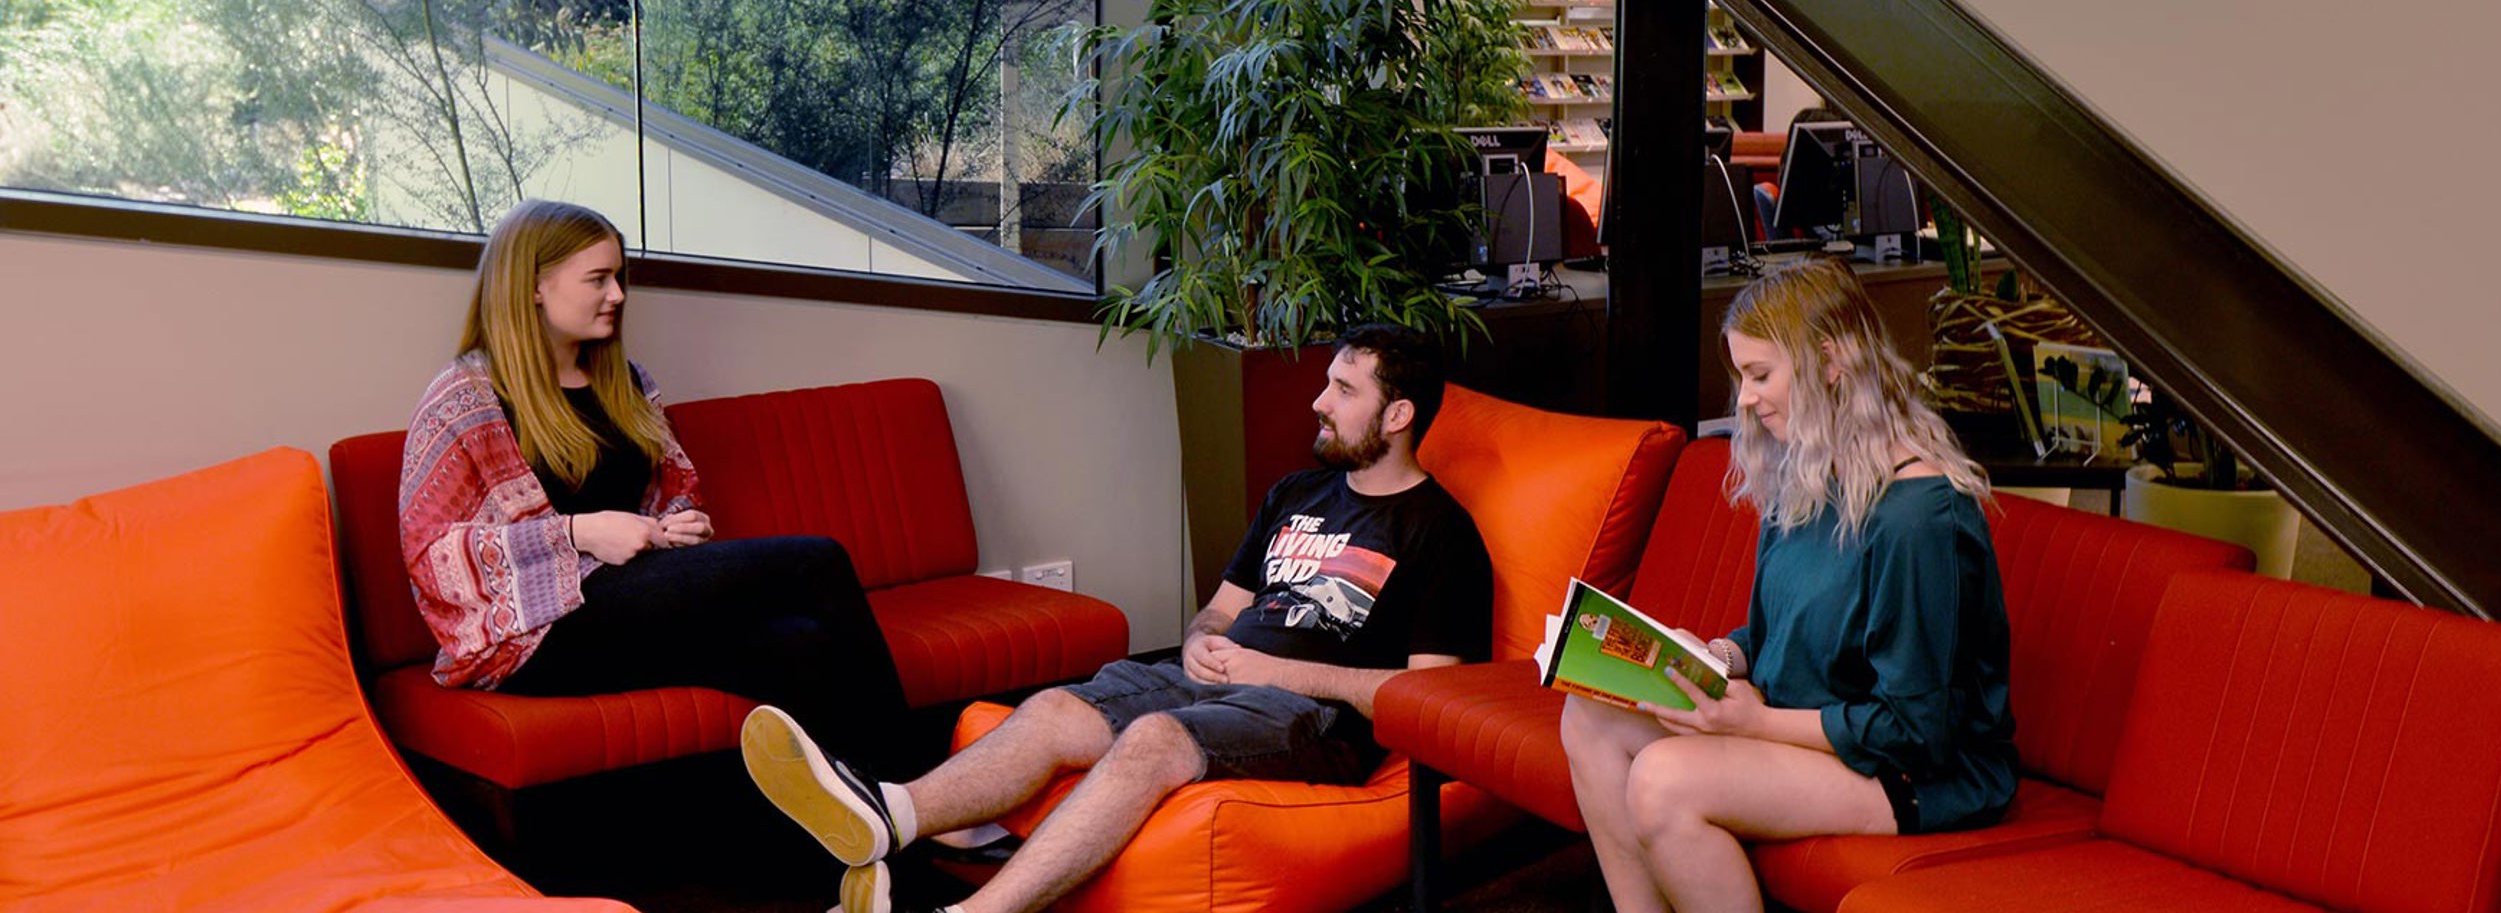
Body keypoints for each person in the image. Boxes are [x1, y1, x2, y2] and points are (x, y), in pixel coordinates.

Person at [738, 325, 1492, 913]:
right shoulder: (1297, 492)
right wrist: (1201, 641)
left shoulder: (1437, 532)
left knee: (1154, 738)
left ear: (1397, 414)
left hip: (1308, 717)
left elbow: (1429, 693)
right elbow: (1221, 609)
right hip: (1212, 681)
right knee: (1058, 709)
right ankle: (891, 811)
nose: (1318, 401)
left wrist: (1273, 670)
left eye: (1343, 388)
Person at [1560, 256, 2016, 913]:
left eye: (1760, 374)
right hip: (1803, 727)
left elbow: (1914, 729)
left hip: (1916, 771)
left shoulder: (1919, 518)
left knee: (1665, 782)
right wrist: (1723, 656)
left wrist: (1757, 720)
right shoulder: (1808, 475)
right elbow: (1779, 634)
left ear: (1830, 362)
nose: (1744, 399)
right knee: (1591, 715)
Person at [398, 199, 915, 772]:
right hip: (536, 635)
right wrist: (578, 533)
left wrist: (679, 524)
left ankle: (871, 821)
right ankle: (933, 800)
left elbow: (674, 490)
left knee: (802, 643)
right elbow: (432, 557)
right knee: (816, 561)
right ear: (534, 287)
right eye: (598, 279)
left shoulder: (628, 380)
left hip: (634, 602)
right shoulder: (466, 395)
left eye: (619, 277)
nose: (617, 294)